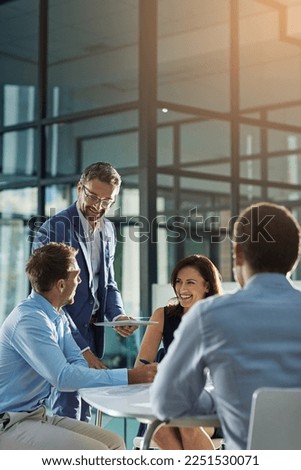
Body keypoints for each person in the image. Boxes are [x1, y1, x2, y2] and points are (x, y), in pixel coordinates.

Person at [150, 202, 301, 450]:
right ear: (294, 259)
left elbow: (166, 402)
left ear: (238, 254)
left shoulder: (210, 315)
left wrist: (223, 399)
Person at [0, 243, 156, 450]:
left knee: (115, 443)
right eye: (77, 276)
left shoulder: (56, 315)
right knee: (97, 453)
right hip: (9, 424)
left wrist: (86, 375)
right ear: (61, 285)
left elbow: (77, 362)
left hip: (35, 416)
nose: (81, 282)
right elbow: (63, 378)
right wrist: (131, 376)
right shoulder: (30, 320)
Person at [32, 162, 137, 422]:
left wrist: (117, 316)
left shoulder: (108, 230)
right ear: (80, 188)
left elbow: (108, 282)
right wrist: (81, 350)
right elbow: (50, 301)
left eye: (107, 200)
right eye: (92, 196)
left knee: (87, 412)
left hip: (93, 332)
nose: (98, 206)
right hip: (64, 334)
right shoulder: (54, 229)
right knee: (66, 413)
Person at [135, 254, 223, 450]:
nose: (182, 289)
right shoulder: (163, 316)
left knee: (186, 424)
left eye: (190, 282)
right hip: (168, 402)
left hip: (206, 404)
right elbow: (140, 369)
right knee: (159, 427)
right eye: (178, 282)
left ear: (207, 286)